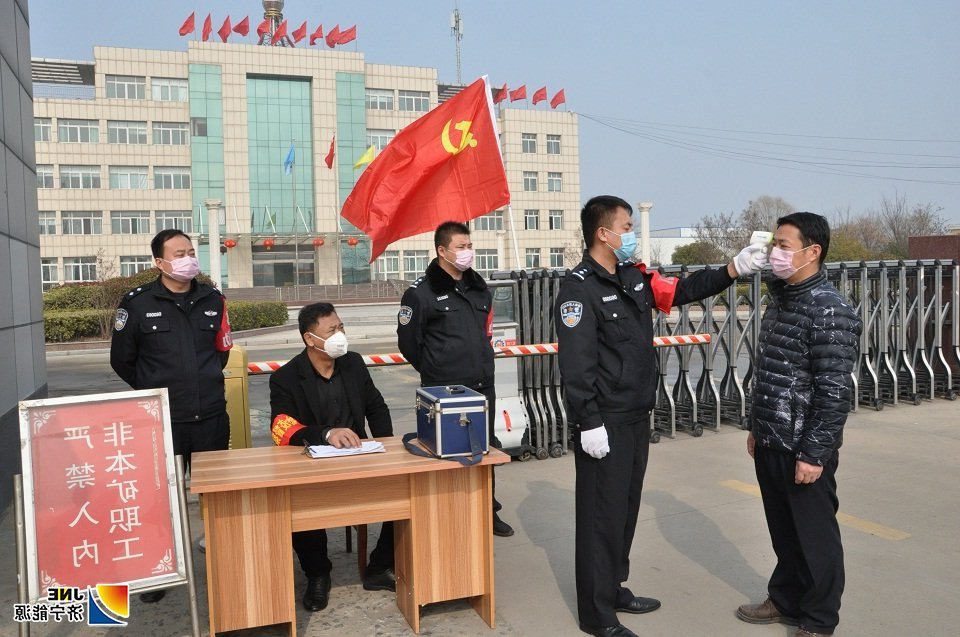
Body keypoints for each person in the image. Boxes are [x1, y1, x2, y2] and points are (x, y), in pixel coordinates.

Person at [555, 195, 767, 637]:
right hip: (605, 420)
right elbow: (576, 365)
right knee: (601, 515)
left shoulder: (633, 276)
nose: (630, 234)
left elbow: (681, 290)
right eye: (626, 226)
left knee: (626, 508)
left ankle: (614, 587)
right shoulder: (579, 289)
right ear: (603, 233)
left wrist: (732, 268)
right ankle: (597, 615)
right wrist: (588, 420)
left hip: (636, 411)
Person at [736, 213, 860, 637]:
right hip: (772, 436)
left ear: (813, 252)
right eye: (776, 245)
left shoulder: (830, 309)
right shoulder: (782, 299)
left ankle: (819, 619)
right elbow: (771, 371)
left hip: (803, 444)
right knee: (783, 530)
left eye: (784, 246)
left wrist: (814, 452)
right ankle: (786, 599)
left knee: (814, 536)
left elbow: (833, 390)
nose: (776, 254)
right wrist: (757, 426)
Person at [110, 228, 233, 604]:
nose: (188, 259)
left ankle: (222, 560)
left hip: (211, 416)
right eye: (179, 253)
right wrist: (156, 393)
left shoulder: (213, 299)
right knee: (158, 499)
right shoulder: (136, 303)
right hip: (161, 422)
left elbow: (222, 351)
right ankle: (158, 570)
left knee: (216, 496)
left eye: (191, 252)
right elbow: (122, 361)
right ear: (159, 262)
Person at [270, 303, 396, 612]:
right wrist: (326, 434)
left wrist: (388, 447)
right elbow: (281, 428)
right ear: (310, 339)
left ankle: (379, 567)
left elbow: (376, 407)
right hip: (312, 461)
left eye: (341, 328)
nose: (340, 335)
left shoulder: (352, 363)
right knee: (299, 503)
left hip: (360, 456)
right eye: (331, 330)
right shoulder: (286, 378)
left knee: (404, 489)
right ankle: (318, 575)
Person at [397, 220, 515, 537]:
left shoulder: (478, 289)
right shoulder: (421, 294)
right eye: (461, 247)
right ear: (442, 251)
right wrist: (436, 370)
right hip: (444, 392)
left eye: (469, 246)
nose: (468, 253)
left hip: (481, 387)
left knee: (484, 451)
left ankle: (487, 511)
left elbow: (484, 334)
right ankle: (448, 518)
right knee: (446, 455)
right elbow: (408, 343)